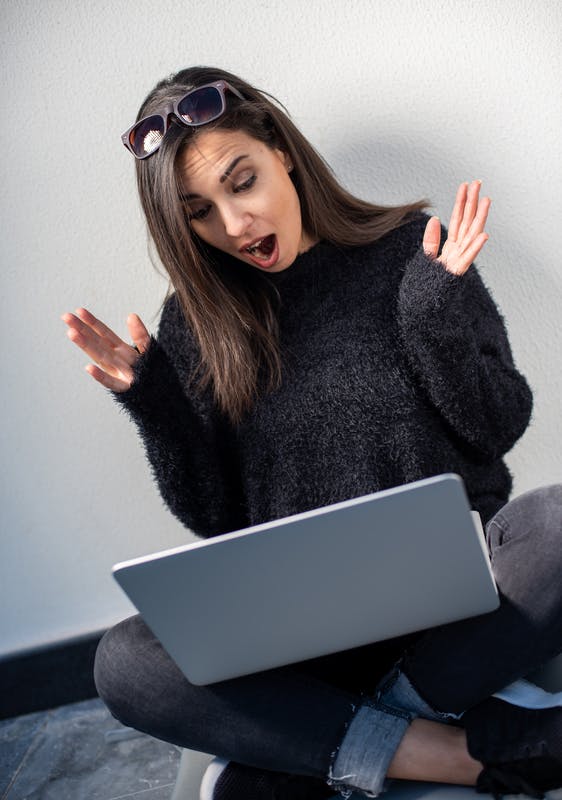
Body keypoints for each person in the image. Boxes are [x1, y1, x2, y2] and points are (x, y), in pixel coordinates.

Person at [62, 66, 562, 799]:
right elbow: (218, 518)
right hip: (309, 646)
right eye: (200, 212)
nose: (235, 225)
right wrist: (155, 404)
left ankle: (317, 749)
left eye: (243, 182)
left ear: (282, 152)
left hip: (452, 617)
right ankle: (456, 753)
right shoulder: (194, 325)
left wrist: (433, 315)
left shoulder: (410, 252)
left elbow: (497, 427)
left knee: (556, 524)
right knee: (124, 662)